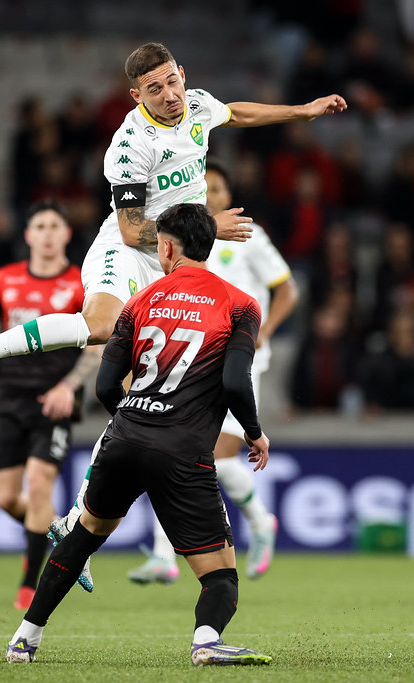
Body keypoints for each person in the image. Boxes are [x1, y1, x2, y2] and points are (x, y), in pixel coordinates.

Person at [0, 42, 344, 586]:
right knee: (101, 326)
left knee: (149, 412)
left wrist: (302, 111)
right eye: (155, 89)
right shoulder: (129, 144)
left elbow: (238, 112)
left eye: (173, 81)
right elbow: (132, 230)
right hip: (128, 252)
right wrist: (208, 227)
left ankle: (72, 528)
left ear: (183, 75)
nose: (171, 95)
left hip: (172, 262)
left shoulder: (196, 105)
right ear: (137, 96)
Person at [5, 203, 272, 666]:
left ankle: (25, 639)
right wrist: (253, 433)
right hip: (184, 450)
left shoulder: (139, 301)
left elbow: (106, 385)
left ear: (167, 247)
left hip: (125, 437)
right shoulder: (241, 305)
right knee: (220, 575)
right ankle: (206, 643)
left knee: (84, 535)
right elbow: (233, 382)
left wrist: (133, 422)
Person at [127, 162, 297, 584]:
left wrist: (264, 333)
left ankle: (260, 521)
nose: (211, 195)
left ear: (229, 196)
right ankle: (167, 557)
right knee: (173, 446)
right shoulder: (185, 244)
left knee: (215, 457)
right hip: (192, 354)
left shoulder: (247, 236)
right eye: (205, 189)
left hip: (239, 356)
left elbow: (288, 289)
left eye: (218, 189)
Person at [0, 200, 104, 610]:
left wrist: (69, 386)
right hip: (9, 398)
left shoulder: (81, 283)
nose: (48, 232)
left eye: (56, 225)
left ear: (67, 234)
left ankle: (29, 584)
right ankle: (63, 535)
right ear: (28, 235)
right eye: (40, 225)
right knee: (4, 497)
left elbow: (97, 344)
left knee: (39, 486)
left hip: (55, 401)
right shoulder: (5, 279)